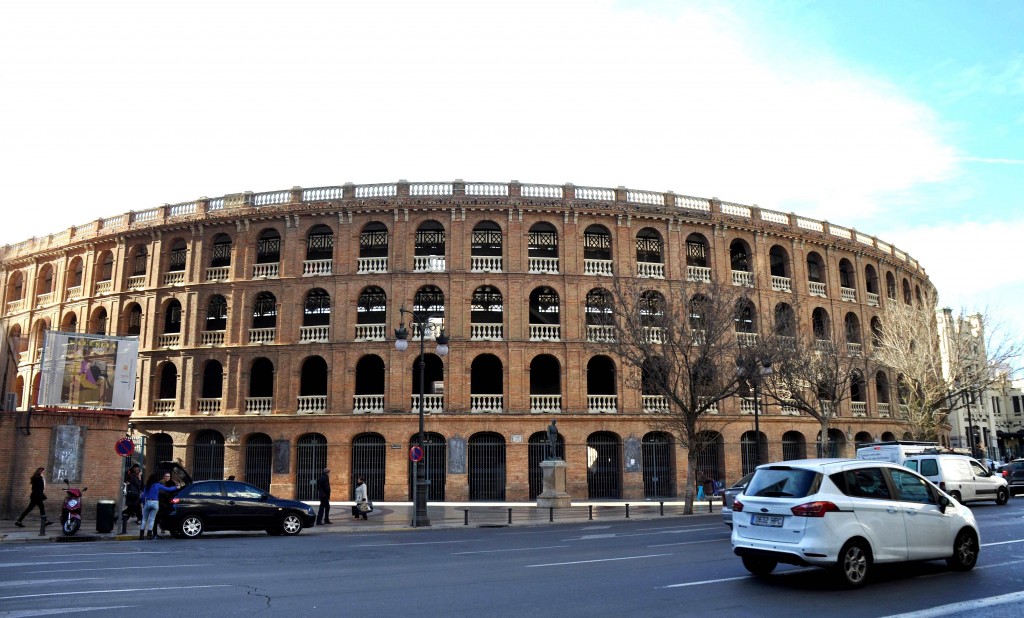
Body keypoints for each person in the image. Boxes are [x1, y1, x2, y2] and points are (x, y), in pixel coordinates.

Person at [121, 464, 143, 534]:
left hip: (133, 496)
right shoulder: (134, 477)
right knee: (132, 509)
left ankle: (122, 518)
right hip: (134, 496)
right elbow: (139, 484)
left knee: (132, 509)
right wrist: (139, 478)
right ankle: (119, 517)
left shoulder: (132, 476)